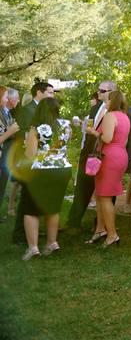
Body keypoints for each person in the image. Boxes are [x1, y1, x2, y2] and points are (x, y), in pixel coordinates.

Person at [20, 97, 72, 260]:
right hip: (62, 169)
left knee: (30, 209)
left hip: (41, 171)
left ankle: (33, 248)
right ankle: (52, 242)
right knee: (53, 207)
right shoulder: (65, 125)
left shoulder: (35, 129)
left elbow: (30, 154)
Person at [68, 81, 115, 231]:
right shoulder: (95, 107)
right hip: (89, 152)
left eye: (102, 90)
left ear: (111, 92)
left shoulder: (115, 110)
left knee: (106, 191)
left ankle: (103, 224)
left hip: (106, 153)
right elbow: (89, 127)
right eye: (99, 90)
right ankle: (73, 222)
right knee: (82, 185)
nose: (98, 93)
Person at [11, 81, 55, 243]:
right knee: (26, 198)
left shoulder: (43, 110)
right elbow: (19, 131)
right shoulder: (26, 110)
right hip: (27, 157)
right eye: (50, 92)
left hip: (40, 159)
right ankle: (19, 234)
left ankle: (32, 231)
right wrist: (29, 139)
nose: (52, 96)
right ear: (39, 92)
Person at [91, 89, 130, 249]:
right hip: (121, 154)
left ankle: (112, 234)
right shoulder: (125, 117)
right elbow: (125, 140)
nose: (105, 103)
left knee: (105, 196)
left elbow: (106, 137)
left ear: (111, 101)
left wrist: (93, 132)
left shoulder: (110, 115)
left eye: (107, 100)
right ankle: (100, 230)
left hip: (108, 157)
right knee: (101, 195)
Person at [0, 87, 21, 218]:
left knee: (2, 186)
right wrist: (10, 131)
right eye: (5, 97)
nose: (7, 99)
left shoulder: (5, 112)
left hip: (4, 155)